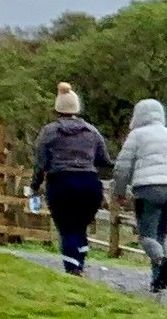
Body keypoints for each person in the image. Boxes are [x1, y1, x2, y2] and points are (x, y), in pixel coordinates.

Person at [111, 97, 167, 292]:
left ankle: (160, 262)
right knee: (161, 235)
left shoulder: (136, 136)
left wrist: (119, 192)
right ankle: (157, 282)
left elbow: (122, 168)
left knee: (146, 236)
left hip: (148, 190)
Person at [32, 84, 112, 276]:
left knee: (66, 227)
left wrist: (35, 186)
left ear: (57, 108)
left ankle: (73, 269)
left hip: (61, 182)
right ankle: (79, 264)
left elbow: (40, 162)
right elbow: (104, 161)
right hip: (89, 184)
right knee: (80, 225)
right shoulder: (92, 132)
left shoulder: (49, 132)